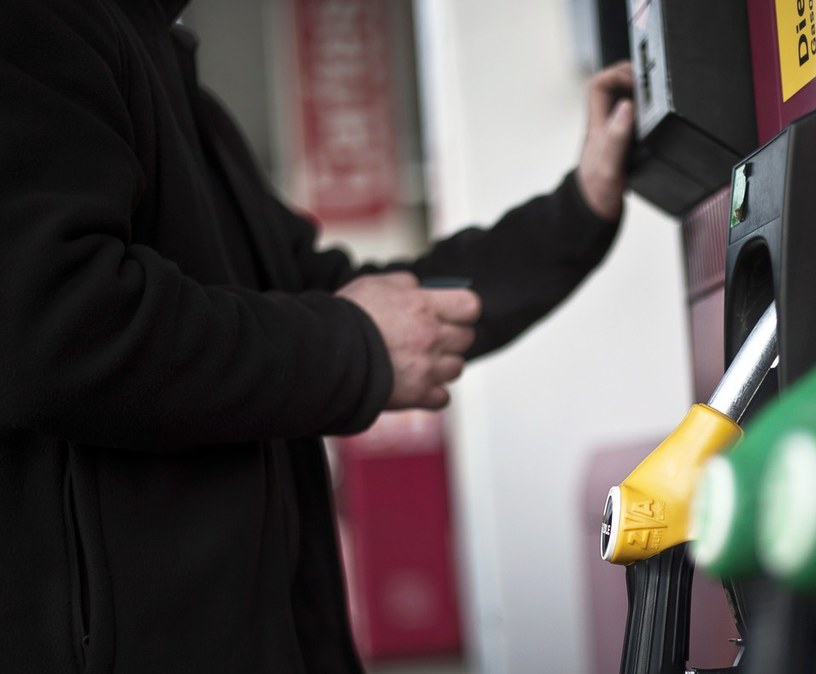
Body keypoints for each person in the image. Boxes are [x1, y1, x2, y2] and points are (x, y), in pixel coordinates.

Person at [0, 0, 636, 671]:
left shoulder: (186, 95)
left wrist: (581, 205)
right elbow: (57, 327)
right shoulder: (35, 24)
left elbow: (350, 301)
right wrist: (351, 347)